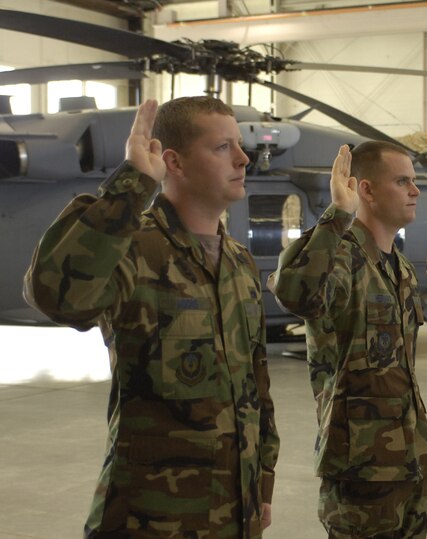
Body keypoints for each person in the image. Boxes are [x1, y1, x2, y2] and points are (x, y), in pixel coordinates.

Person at [24, 97, 280, 538]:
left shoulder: (238, 261)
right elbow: (56, 296)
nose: (243, 158)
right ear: (173, 162)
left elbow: (255, 381)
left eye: (240, 145)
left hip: (235, 513)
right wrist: (131, 185)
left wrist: (263, 482)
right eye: (222, 148)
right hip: (151, 519)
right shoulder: (132, 246)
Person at [270, 142, 427, 537]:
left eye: (414, 181)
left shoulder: (397, 267)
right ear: (366, 189)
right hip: (360, 464)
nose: (415, 190)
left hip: (409, 455)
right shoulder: (340, 255)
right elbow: (296, 293)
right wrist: (337, 217)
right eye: (402, 181)